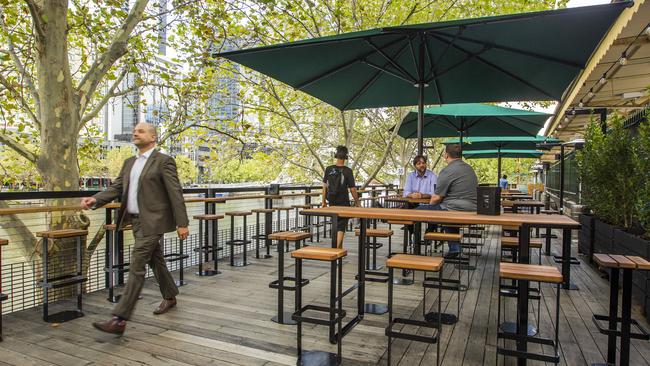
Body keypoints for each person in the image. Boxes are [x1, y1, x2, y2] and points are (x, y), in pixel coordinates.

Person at [81, 122, 190, 335]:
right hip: (136, 221)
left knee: (137, 263)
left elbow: (175, 193)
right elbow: (117, 187)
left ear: (152, 137)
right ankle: (170, 296)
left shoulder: (164, 161)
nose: (135, 133)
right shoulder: (129, 162)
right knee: (155, 260)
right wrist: (94, 200)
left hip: (155, 220)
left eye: (140, 131)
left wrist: (182, 223)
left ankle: (119, 319)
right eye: (135, 131)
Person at [417, 143, 478, 256]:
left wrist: (429, 209)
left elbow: (436, 197)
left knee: (418, 210)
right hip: (473, 210)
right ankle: (454, 249)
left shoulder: (447, 170)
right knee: (446, 212)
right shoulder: (469, 169)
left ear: (446, 155)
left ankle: (417, 246)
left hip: (455, 210)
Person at [322, 145, 361, 248]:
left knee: (335, 223)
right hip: (343, 201)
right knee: (341, 226)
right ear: (345, 157)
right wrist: (357, 202)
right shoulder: (347, 171)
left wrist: (323, 201)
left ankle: (339, 248)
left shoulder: (329, 169)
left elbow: (324, 186)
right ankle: (336, 248)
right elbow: (352, 189)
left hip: (331, 200)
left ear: (336, 156)